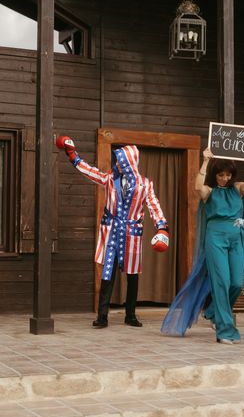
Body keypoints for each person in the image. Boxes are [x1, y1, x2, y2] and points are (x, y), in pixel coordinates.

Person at [56, 135, 170, 328]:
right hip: (111, 232)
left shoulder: (145, 184)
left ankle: (130, 315)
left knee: (133, 275)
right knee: (107, 273)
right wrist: (73, 156)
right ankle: (102, 316)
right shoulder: (110, 179)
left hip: (131, 234)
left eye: (119, 161)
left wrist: (162, 227)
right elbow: (91, 173)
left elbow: (154, 205)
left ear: (128, 163)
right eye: (116, 161)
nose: (116, 164)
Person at [161, 147, 244, 344]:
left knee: (236, 283)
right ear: (215, 175)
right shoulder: (210, 192)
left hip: (236, 238)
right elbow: (198, 187)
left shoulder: (238, 189)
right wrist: (205, 161)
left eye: (228, 175)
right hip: (215, 238)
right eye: (221, 174)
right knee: (222, 282)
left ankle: (212, 312)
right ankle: (225, 330)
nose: (224, 178)